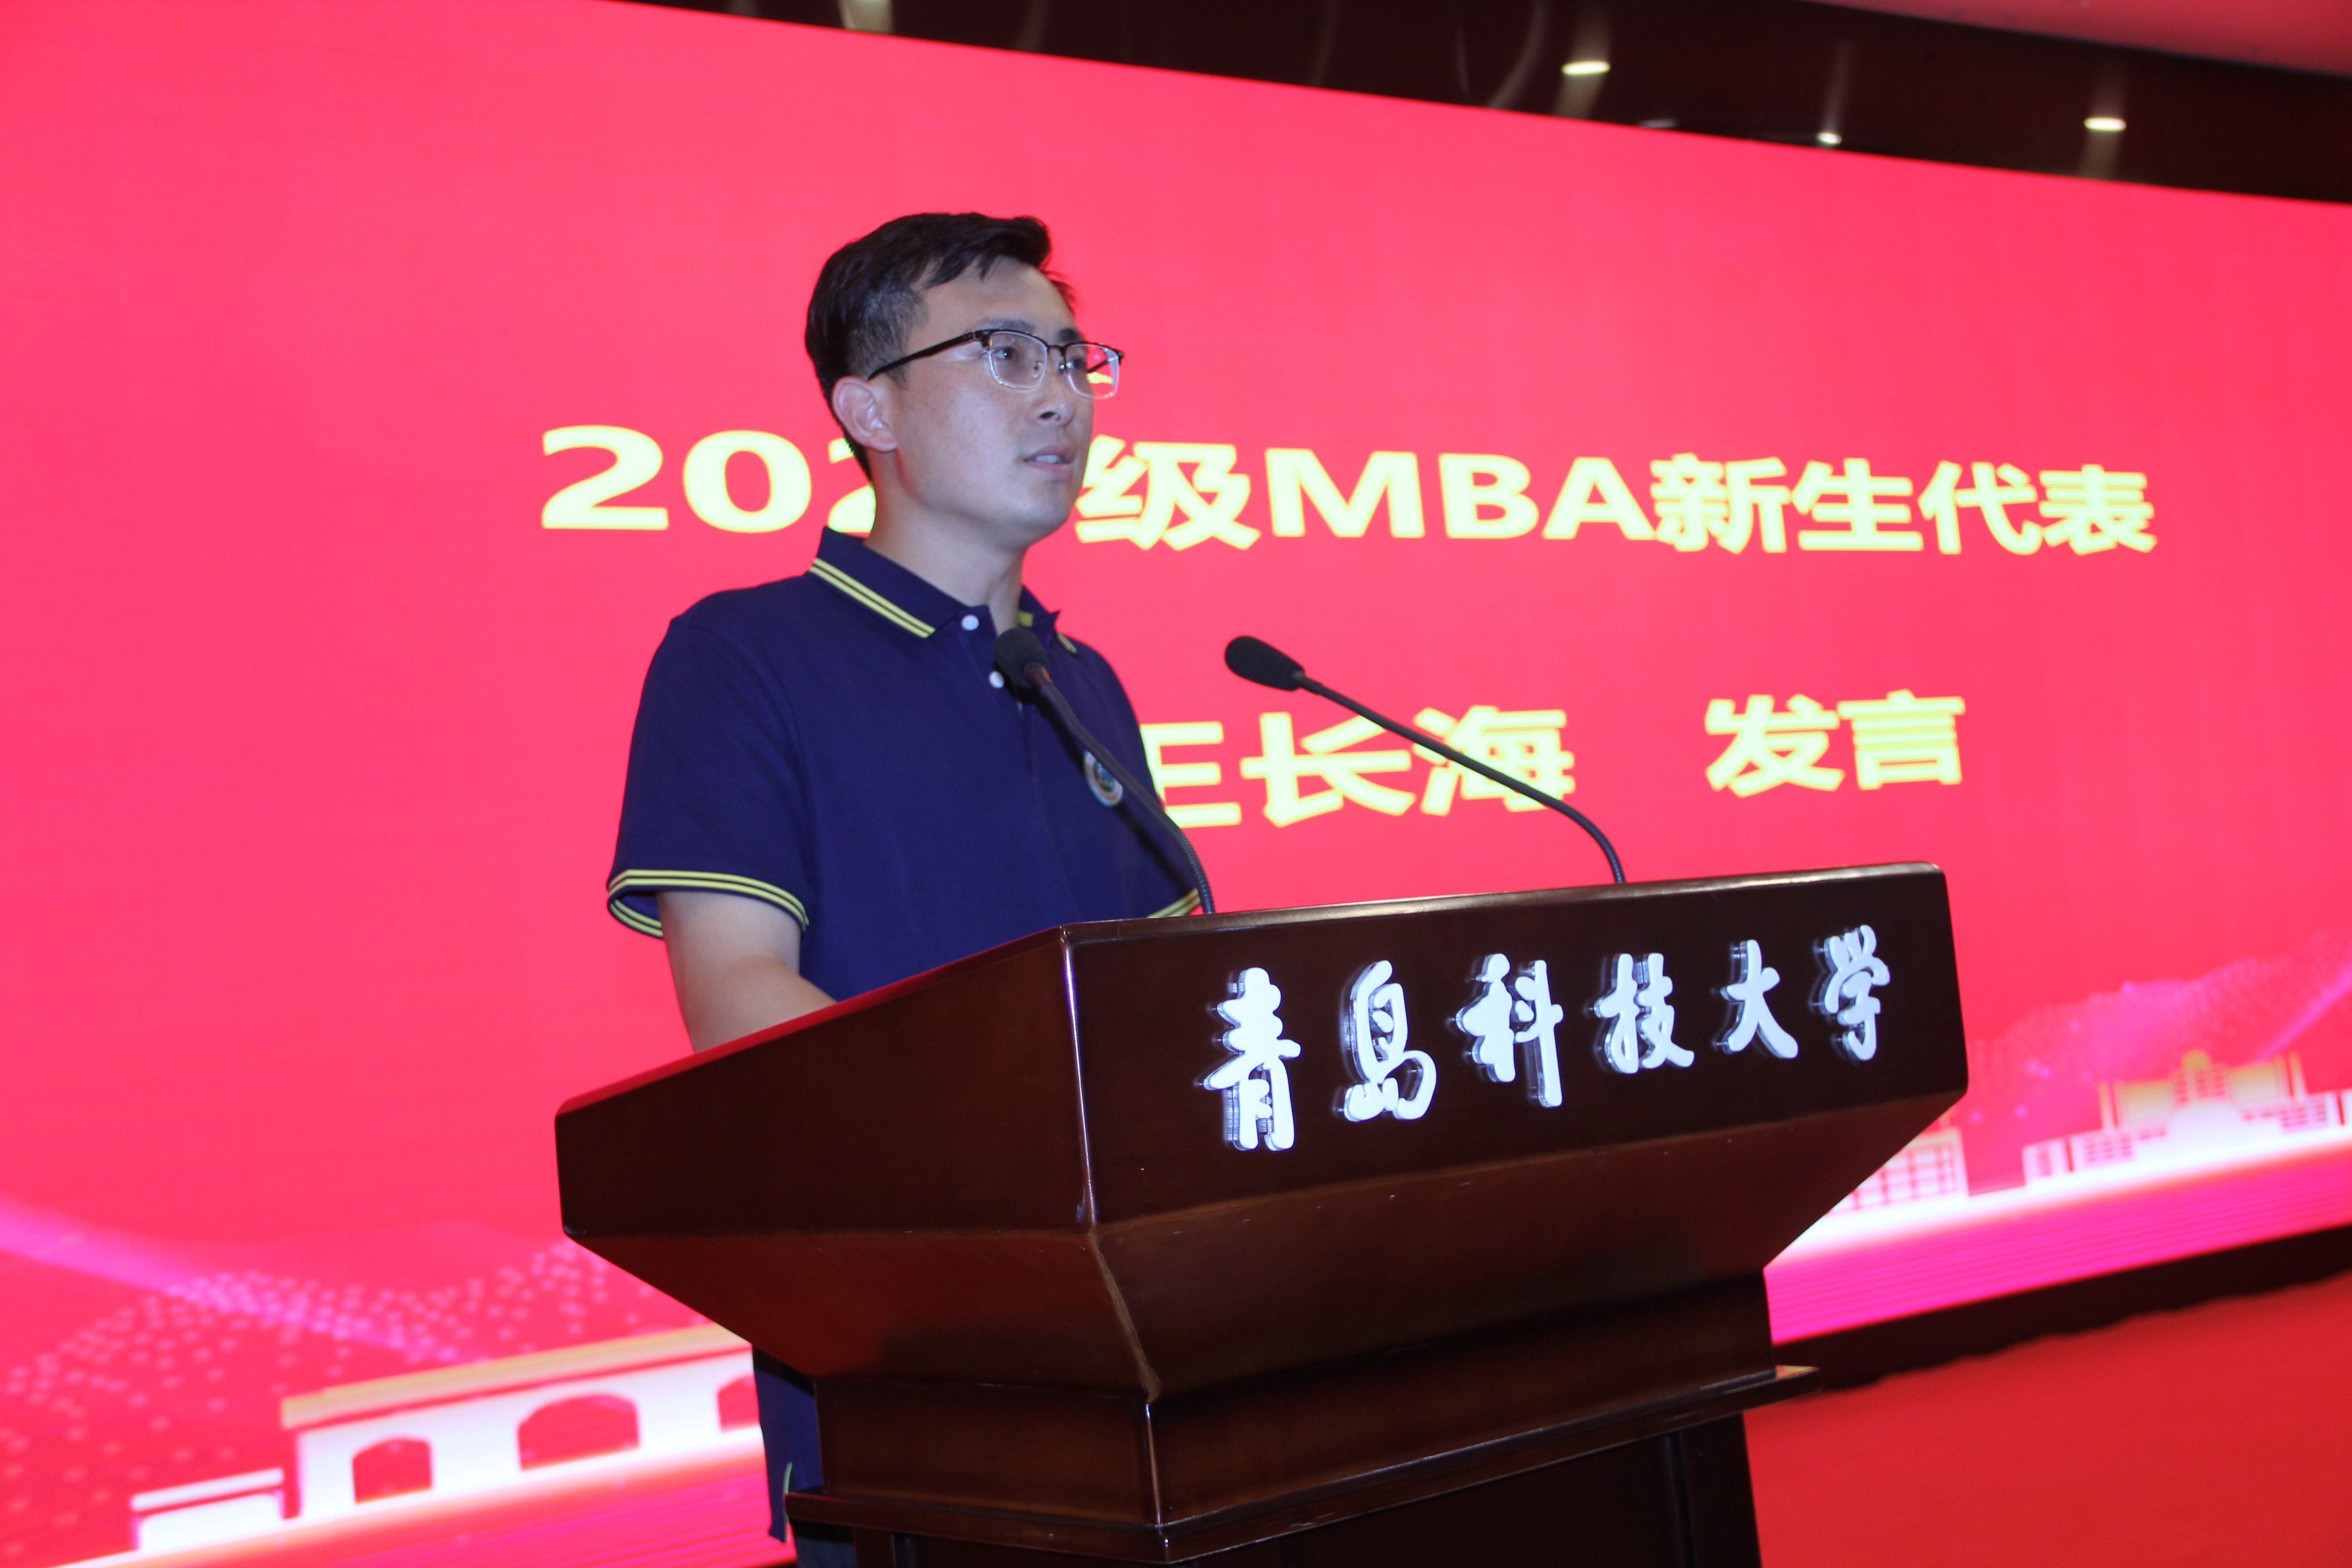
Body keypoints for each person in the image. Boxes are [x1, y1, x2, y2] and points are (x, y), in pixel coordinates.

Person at [605, 212, 1199, 1564]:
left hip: (1144, 1365)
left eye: (1073, 357)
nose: (1060, 395)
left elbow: (1165, 999)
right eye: (1004, 354)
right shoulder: (745, 656)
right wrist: (1020, 1173)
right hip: (911, 1371)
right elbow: (740, 998)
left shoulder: (1077, 679)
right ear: (867, 407)